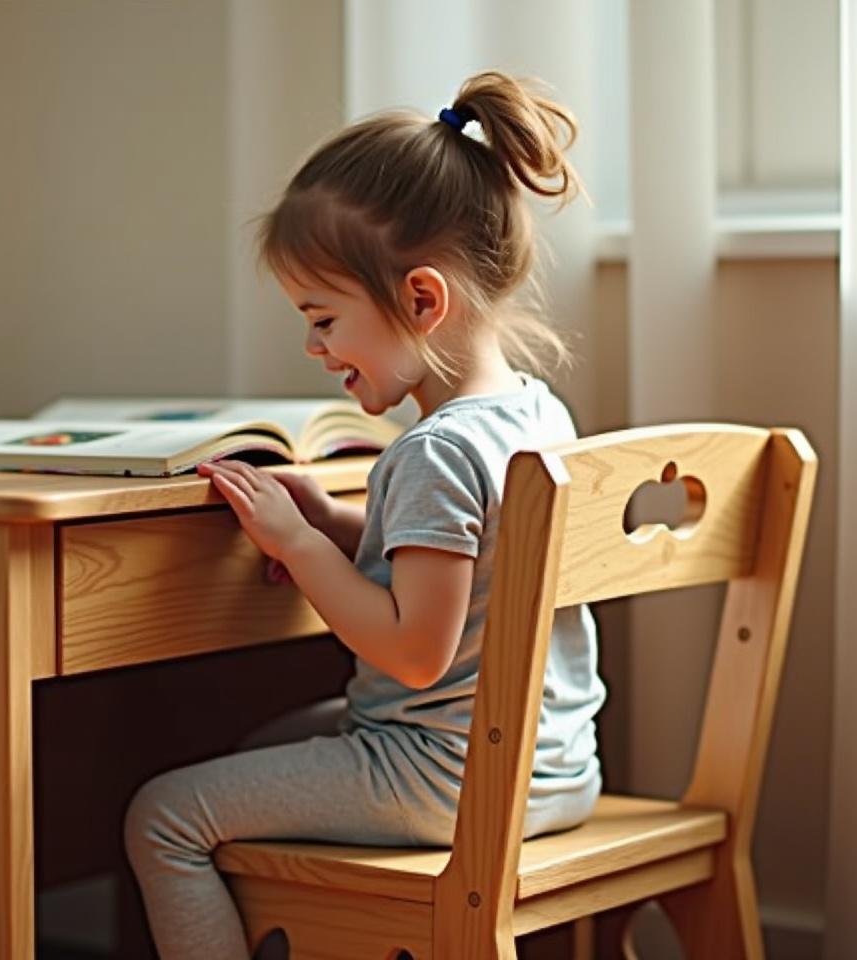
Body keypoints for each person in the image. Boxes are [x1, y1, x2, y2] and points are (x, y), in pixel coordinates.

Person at [124, 70, 606, 959]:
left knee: (162, 816)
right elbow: (468, 578)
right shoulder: (537, 414)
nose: (314, 347)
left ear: (422, 301)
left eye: (323, 318)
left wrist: (301, 544)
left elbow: (415, 652)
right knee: (260, 741)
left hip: (445, 778)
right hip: (554, 767)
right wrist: (342, 526)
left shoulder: (433, 451)